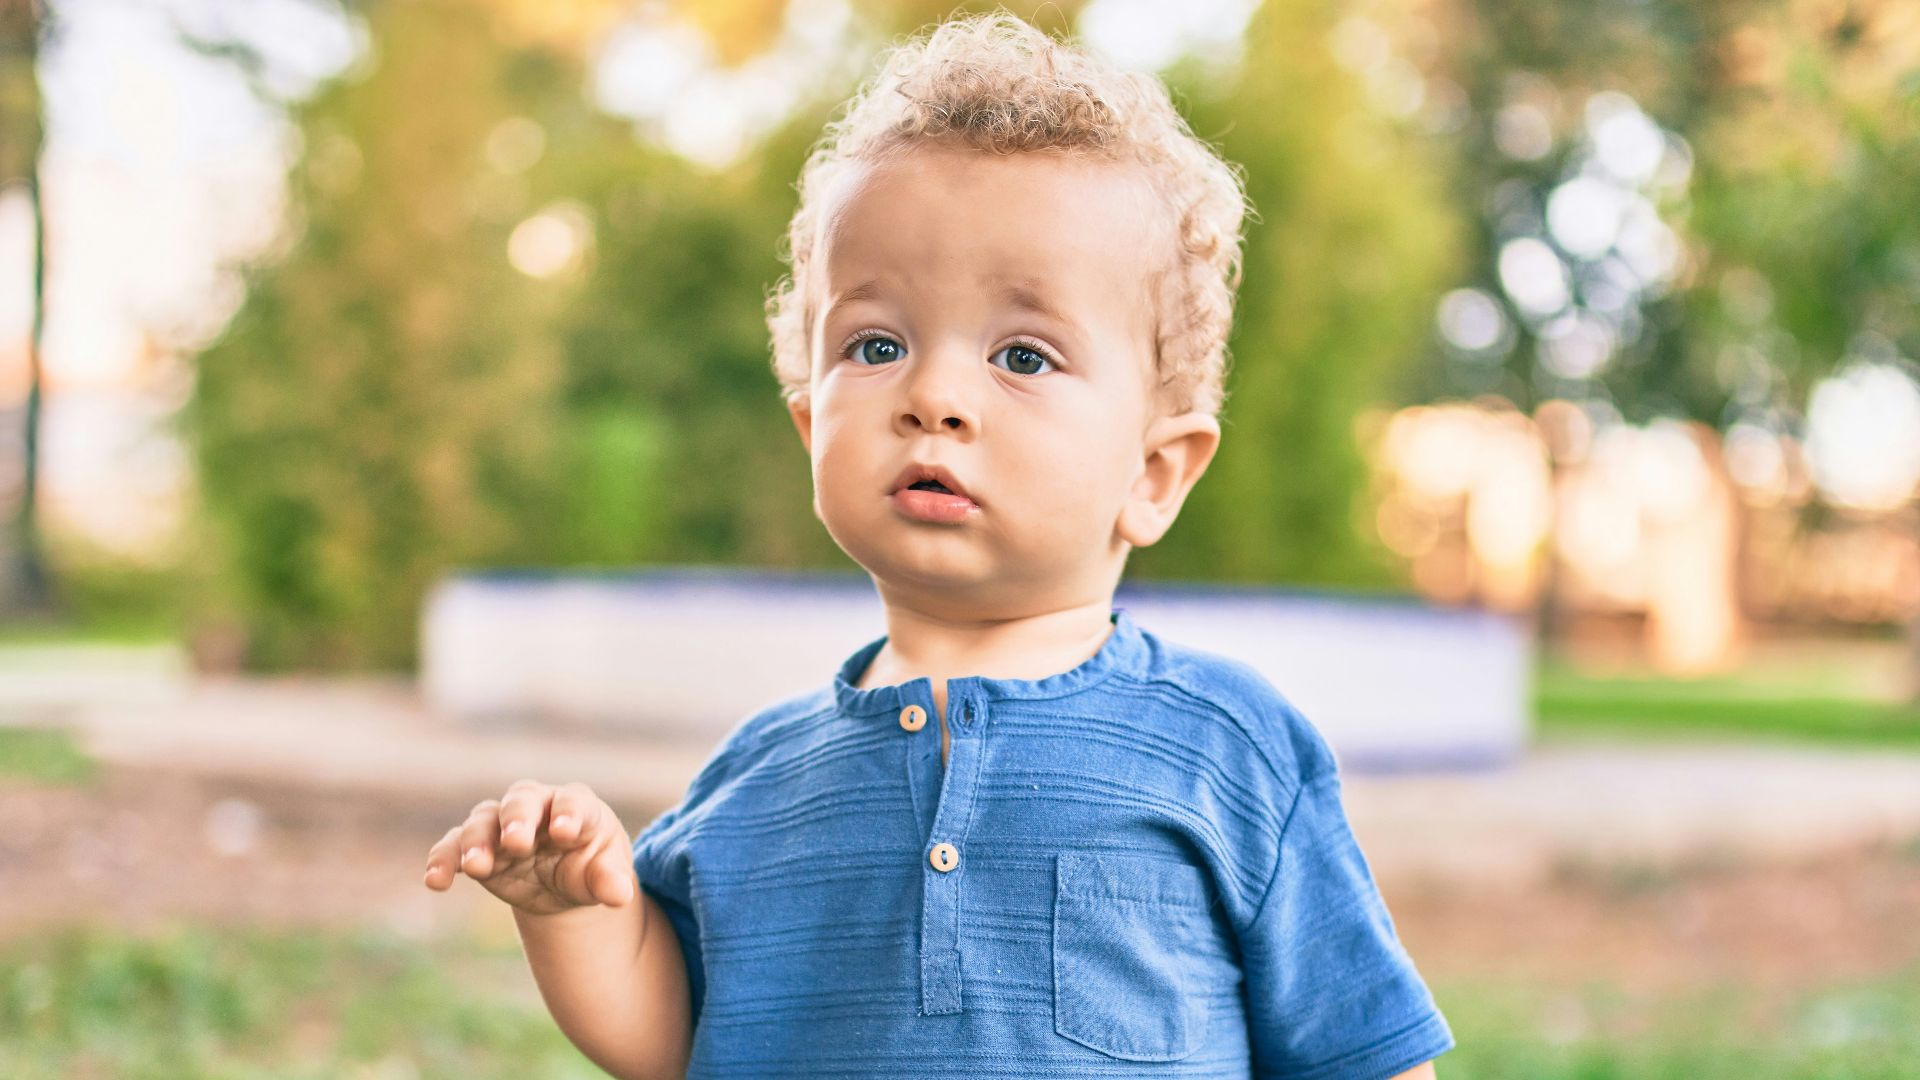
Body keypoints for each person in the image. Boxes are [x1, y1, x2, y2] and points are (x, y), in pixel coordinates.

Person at [423, 10, 1454, 1078]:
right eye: (877, 344)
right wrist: (575, 915)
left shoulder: (1227, 750)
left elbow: (1363, 1053)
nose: (935, 395)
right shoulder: (756, 781)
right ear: (812, 424)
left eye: (1023, 354)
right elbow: (673, 1039)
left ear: (1152, 474)